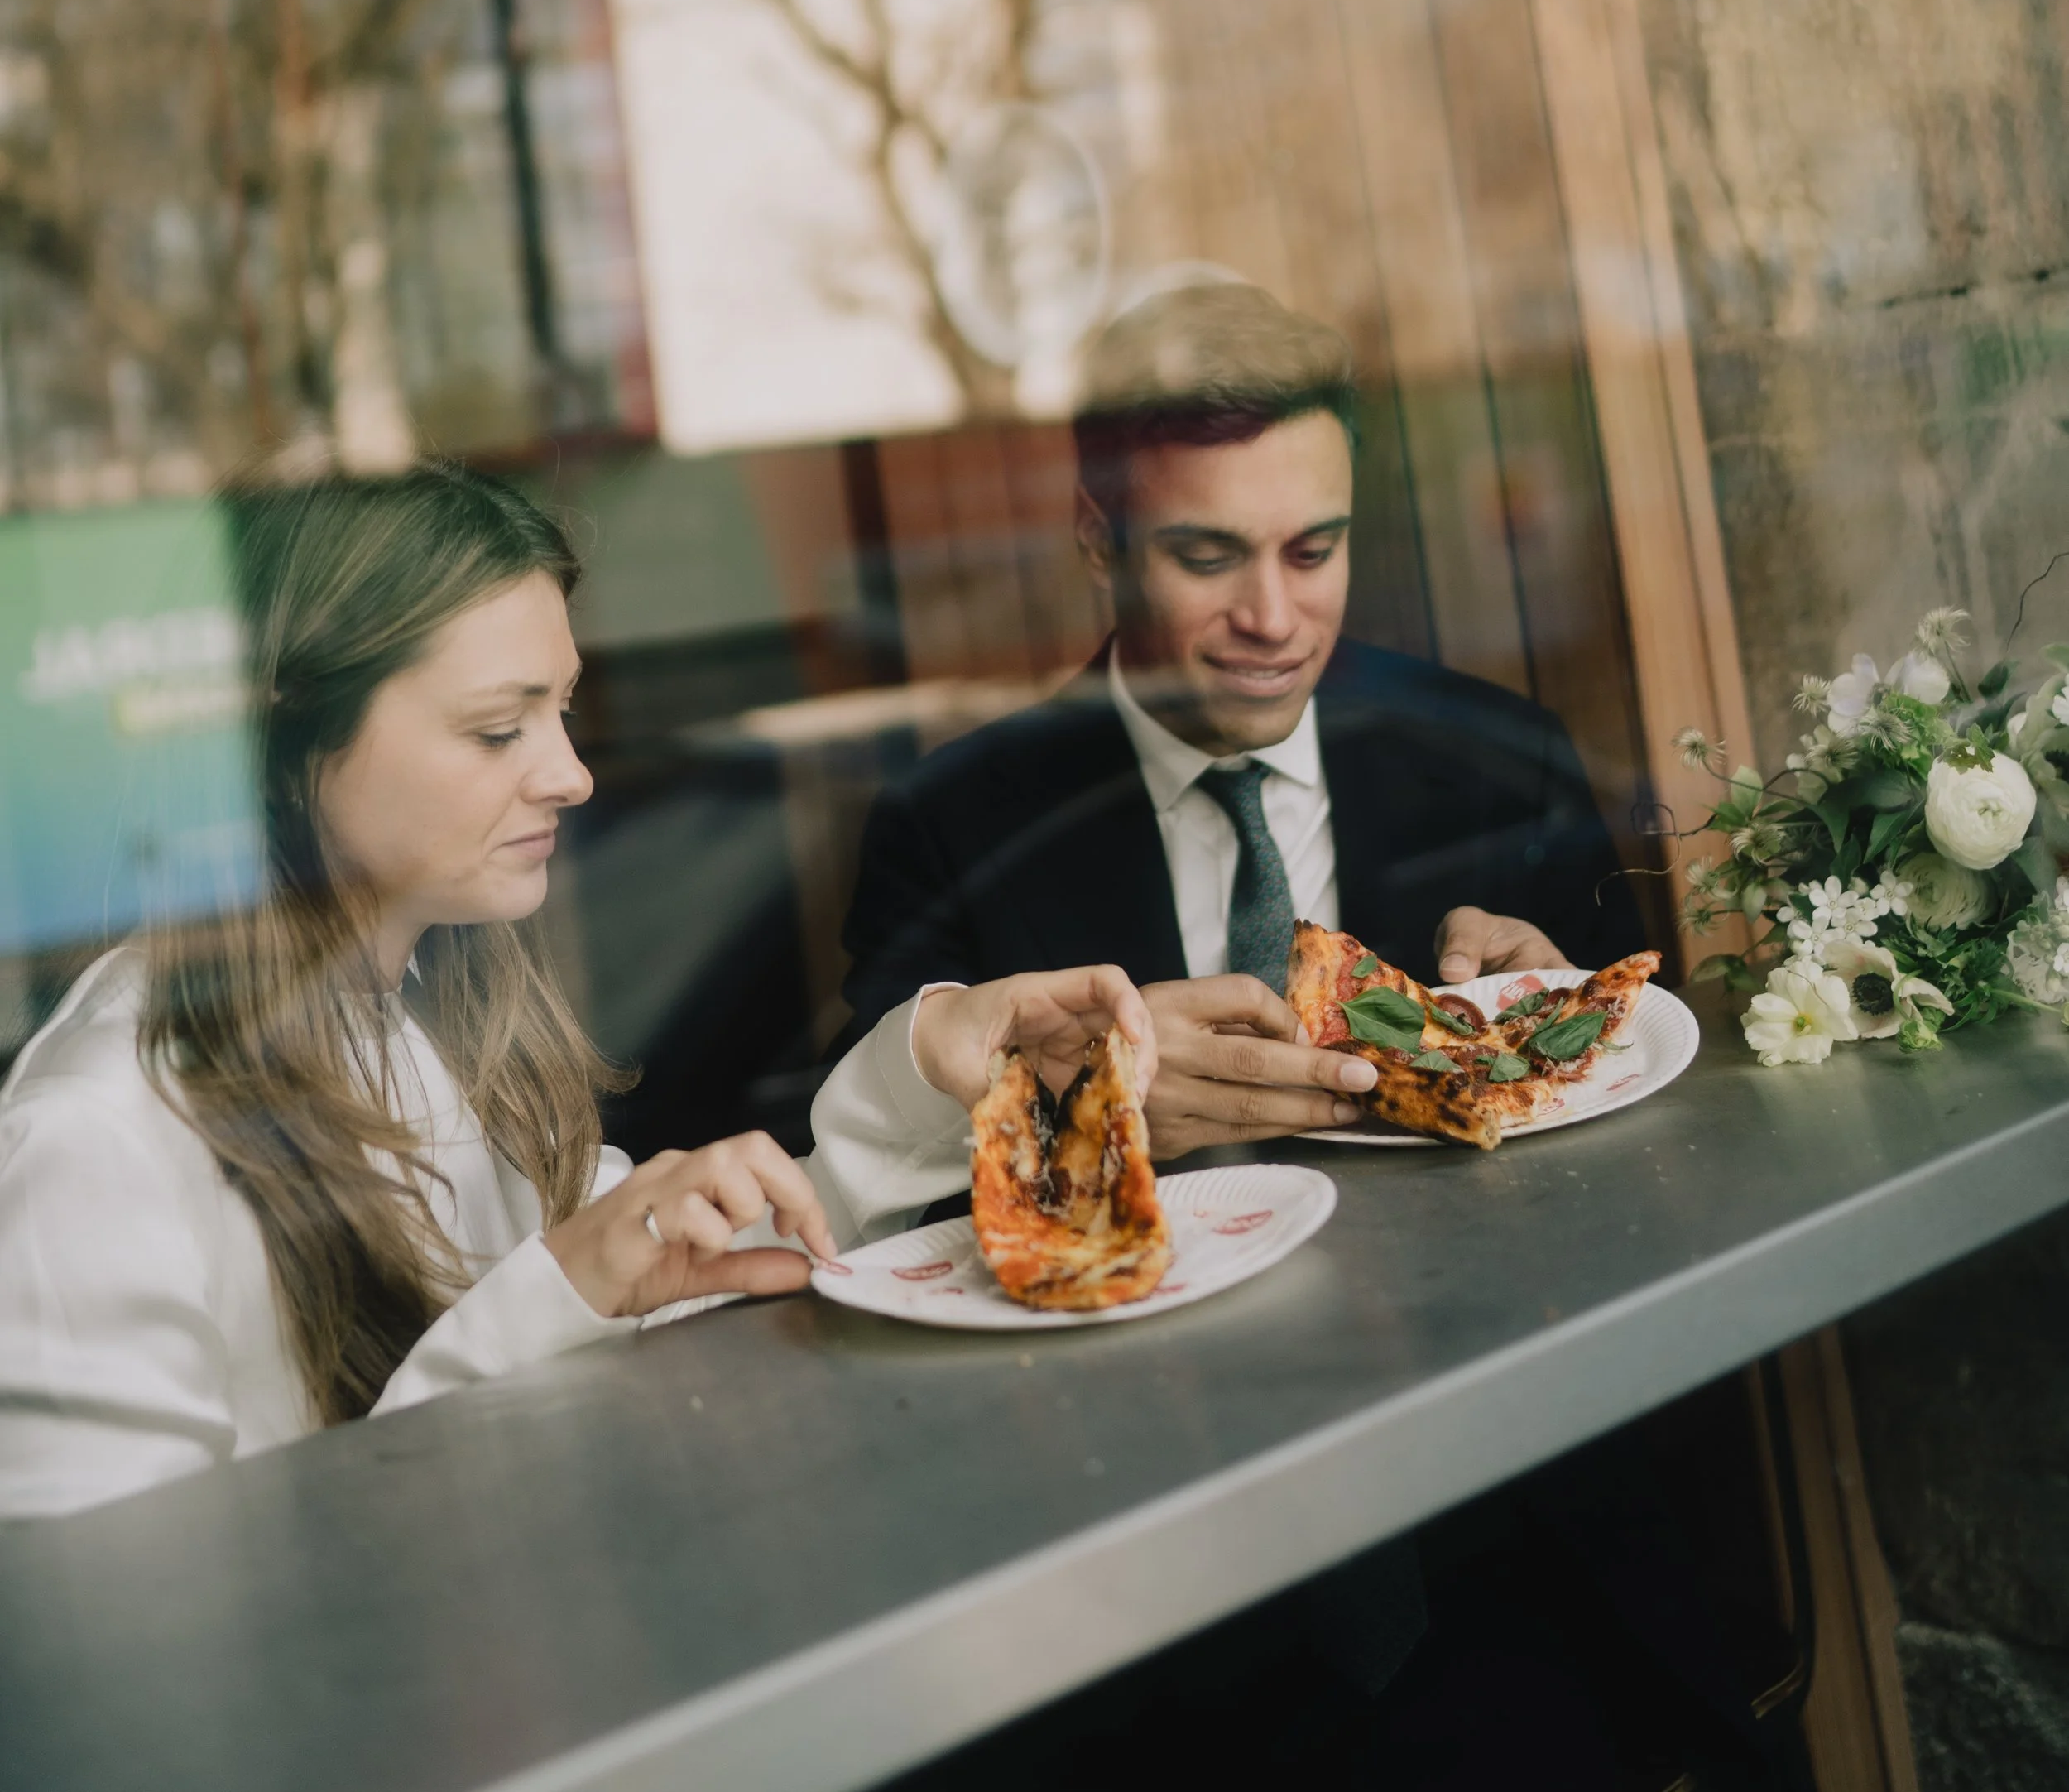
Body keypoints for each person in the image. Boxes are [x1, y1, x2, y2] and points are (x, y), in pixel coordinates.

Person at [0, 465, 857, 1520]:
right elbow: (128, 1648)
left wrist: (931, 1090)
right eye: (499, 730)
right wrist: (549, 1302)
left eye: (564, 711)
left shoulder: (428, 1019)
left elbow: (687, 1283)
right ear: (283, 743)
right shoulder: (92, 1143)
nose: (572, 774)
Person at [816, 280, 1644, 1237]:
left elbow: (1636, 1122)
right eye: (1208, 558)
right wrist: (1082, 1122)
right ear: (1098, 542)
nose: (1272, 621)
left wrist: (1542, 1016)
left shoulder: (1507, 760)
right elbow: (877, 1191)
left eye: (1311, 552)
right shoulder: (949, 825)